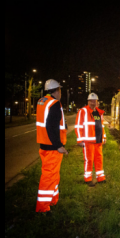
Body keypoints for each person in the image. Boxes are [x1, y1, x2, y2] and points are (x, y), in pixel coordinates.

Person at [35, 79, 68, 214]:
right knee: (49, 176)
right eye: (60, 90)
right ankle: (43, 208)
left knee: (52, 175)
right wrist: (58, 145)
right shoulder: (54, 103)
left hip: (44, 145)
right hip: (52, 147)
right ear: (57, 91)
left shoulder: (42, 101)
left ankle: (52, 200)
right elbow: (51, 126)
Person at [75, 93, 107, 186]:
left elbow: (102, 126)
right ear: (88, 101)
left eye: (95, 101)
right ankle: (88, 179)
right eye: (91, 101)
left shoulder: (99, 112)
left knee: (99, 159)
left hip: (98, 141)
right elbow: (78, 126)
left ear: (97, 102)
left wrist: (104, 137)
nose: (93, 103)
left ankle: (100, 177)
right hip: (88, 141)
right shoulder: (83, 111)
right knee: (88, 160)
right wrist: (80, 140)